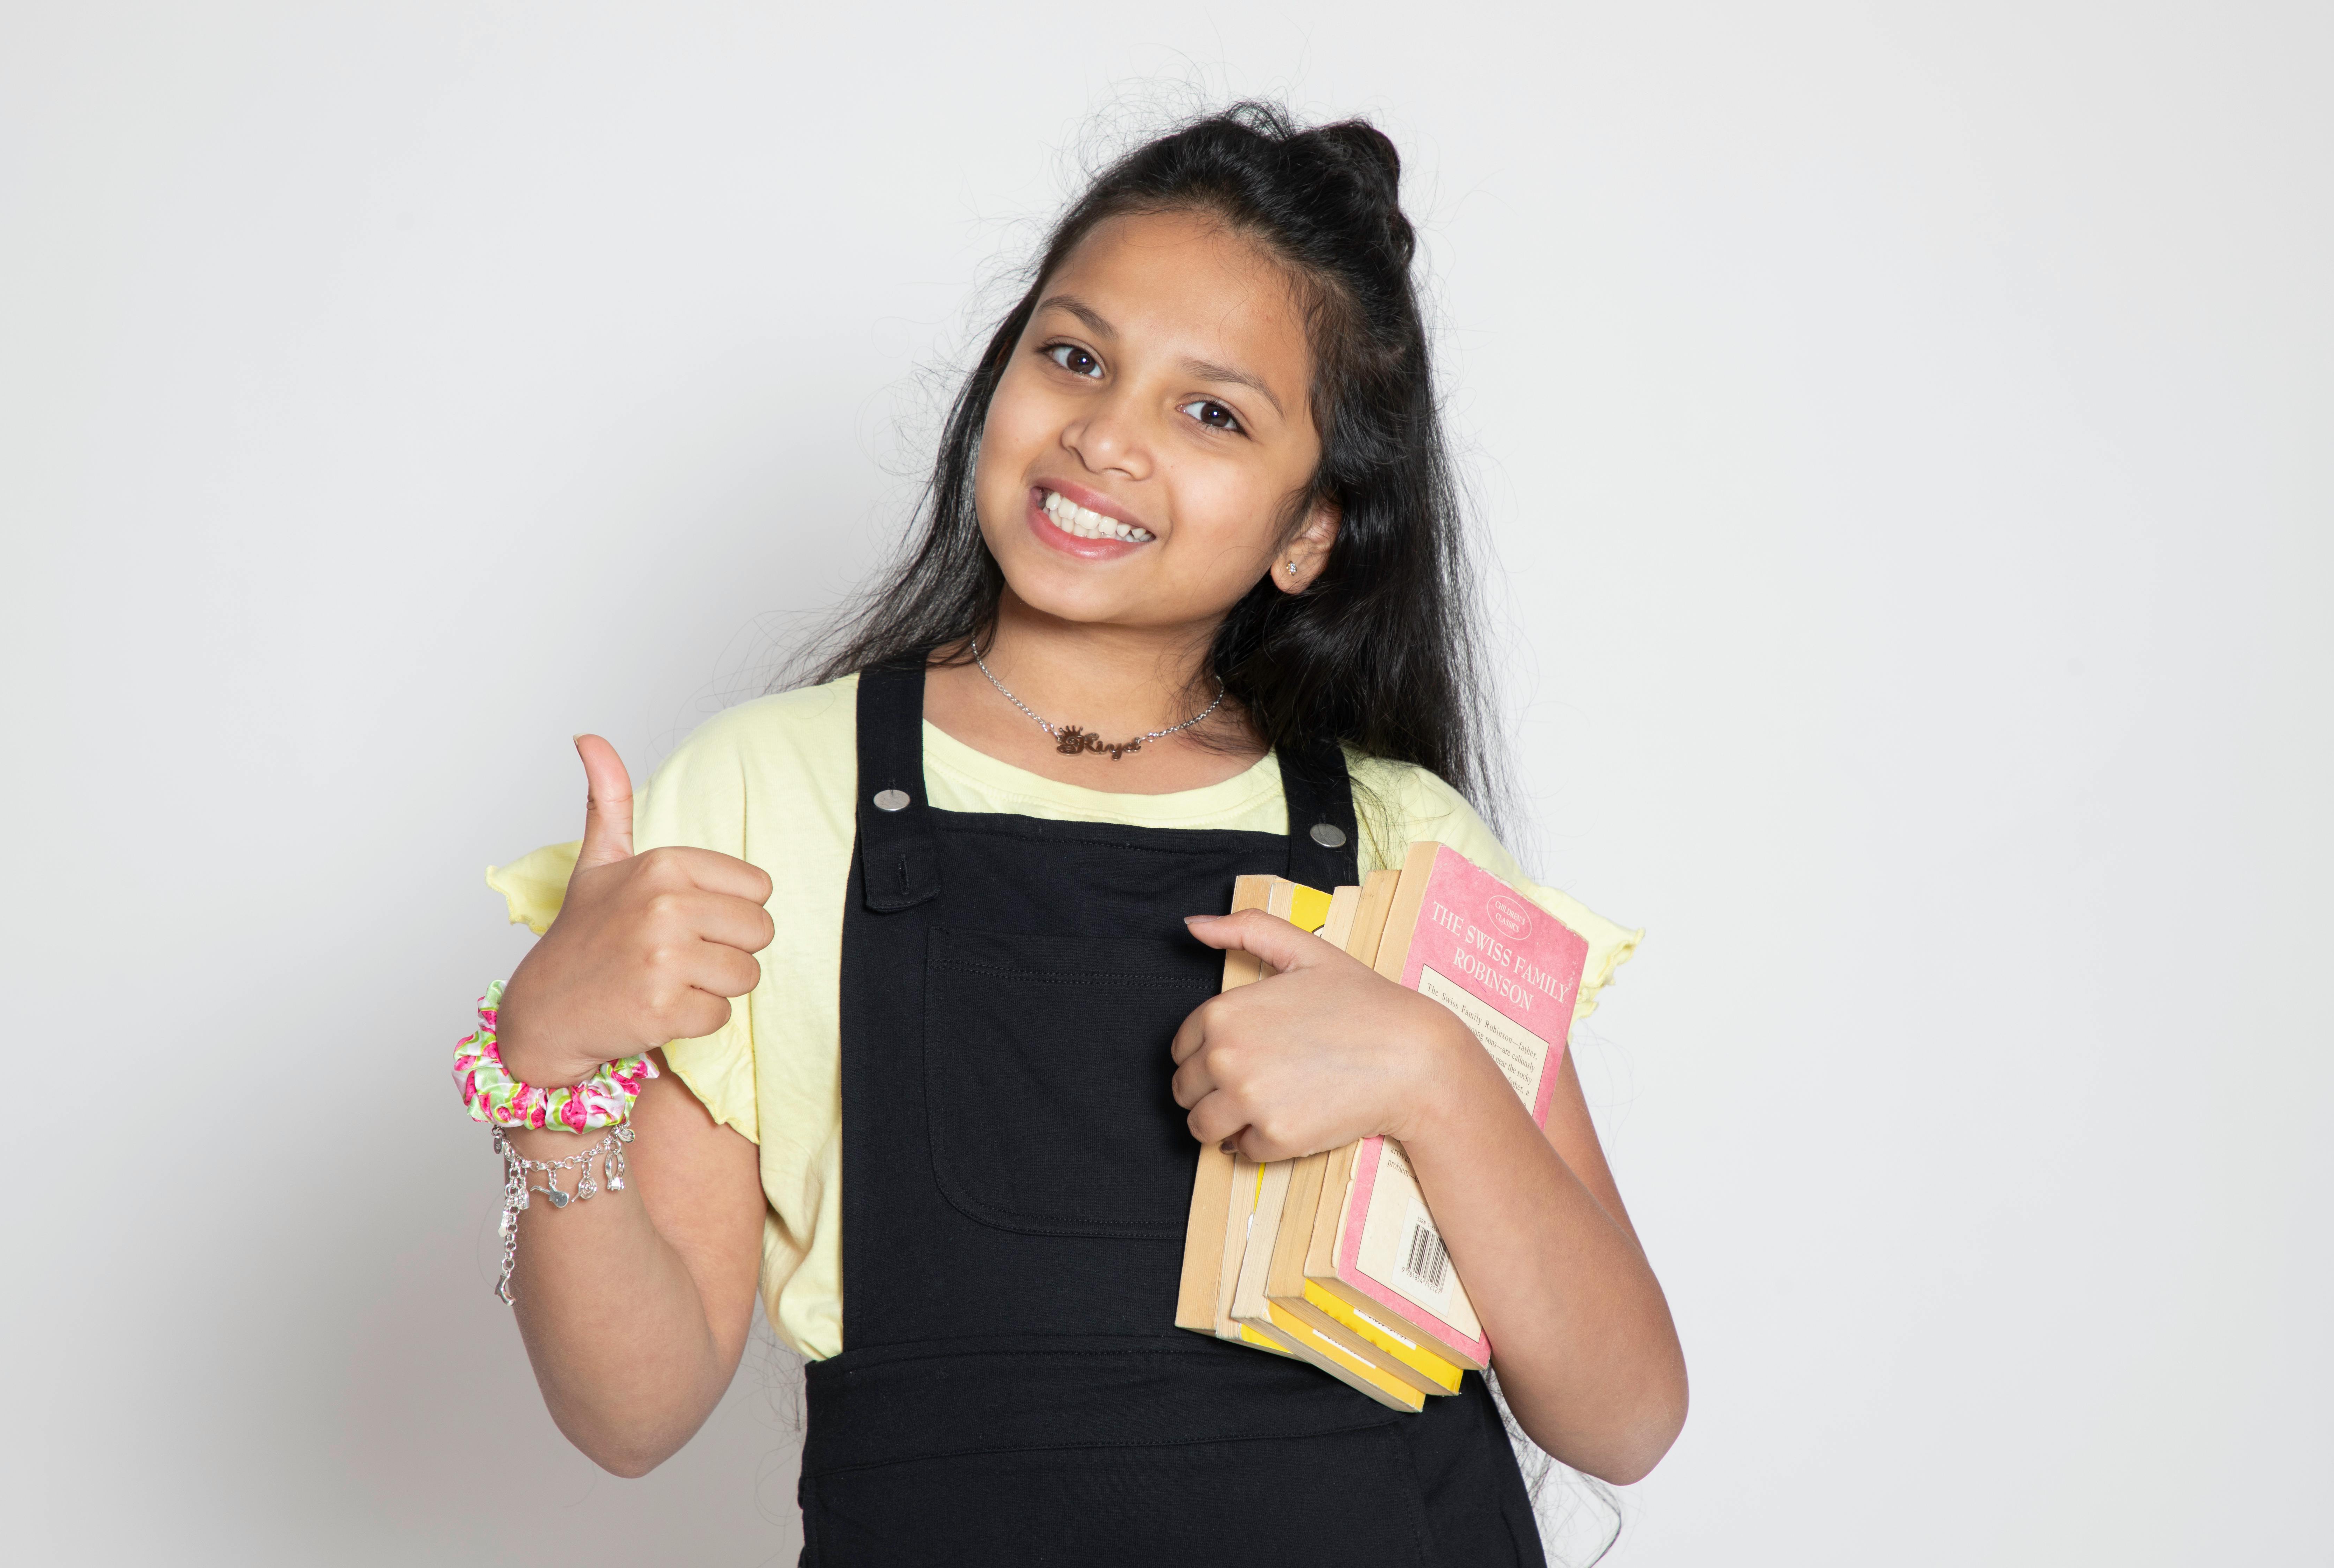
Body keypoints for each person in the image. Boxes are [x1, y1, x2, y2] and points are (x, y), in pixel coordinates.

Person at [470, 103, 1686, 1564]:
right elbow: (634, 1410)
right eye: (1075, 355)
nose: (1107, 434)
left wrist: (1436, 1076)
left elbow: (1624, 1416)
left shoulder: (1394, 838)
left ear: (1311, 530)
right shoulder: (769, 793)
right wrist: (548, 1067)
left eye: (1213, 411)